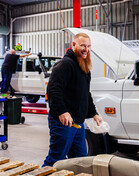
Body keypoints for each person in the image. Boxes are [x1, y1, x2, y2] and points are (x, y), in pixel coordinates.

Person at [43, 33, 102, 167]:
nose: (85, 49)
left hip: (77, 123)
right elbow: (53, 90)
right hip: (63, 122)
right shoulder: (65, 65)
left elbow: (85, 94)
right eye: (82, 45)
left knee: (80, 161)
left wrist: (93, 113)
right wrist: (62, 111)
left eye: (88, 46)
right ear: (74, 45)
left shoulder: (84, 67)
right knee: (56, 159)